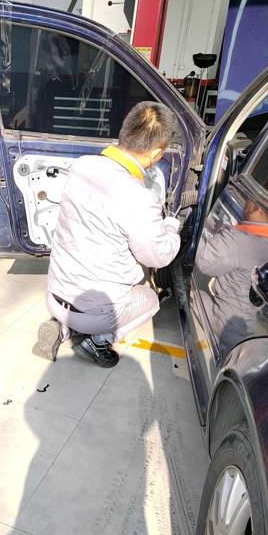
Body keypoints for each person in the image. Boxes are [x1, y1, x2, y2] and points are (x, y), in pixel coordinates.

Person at [33, 101, 182, 368]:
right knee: (150, 301)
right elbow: (158, 257)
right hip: (93, 312)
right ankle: (98, 339)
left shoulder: (81, 166)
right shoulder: (138, 197)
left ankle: (63, 328)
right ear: (155, 153)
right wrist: (171, 226)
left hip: (55, 295)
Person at [195, 161, 268, 353]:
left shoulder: (240, 241)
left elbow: (203, 262)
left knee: (192, 294)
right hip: (245, 332)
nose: (250, 194)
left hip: (220, 327)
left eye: (260, 188)